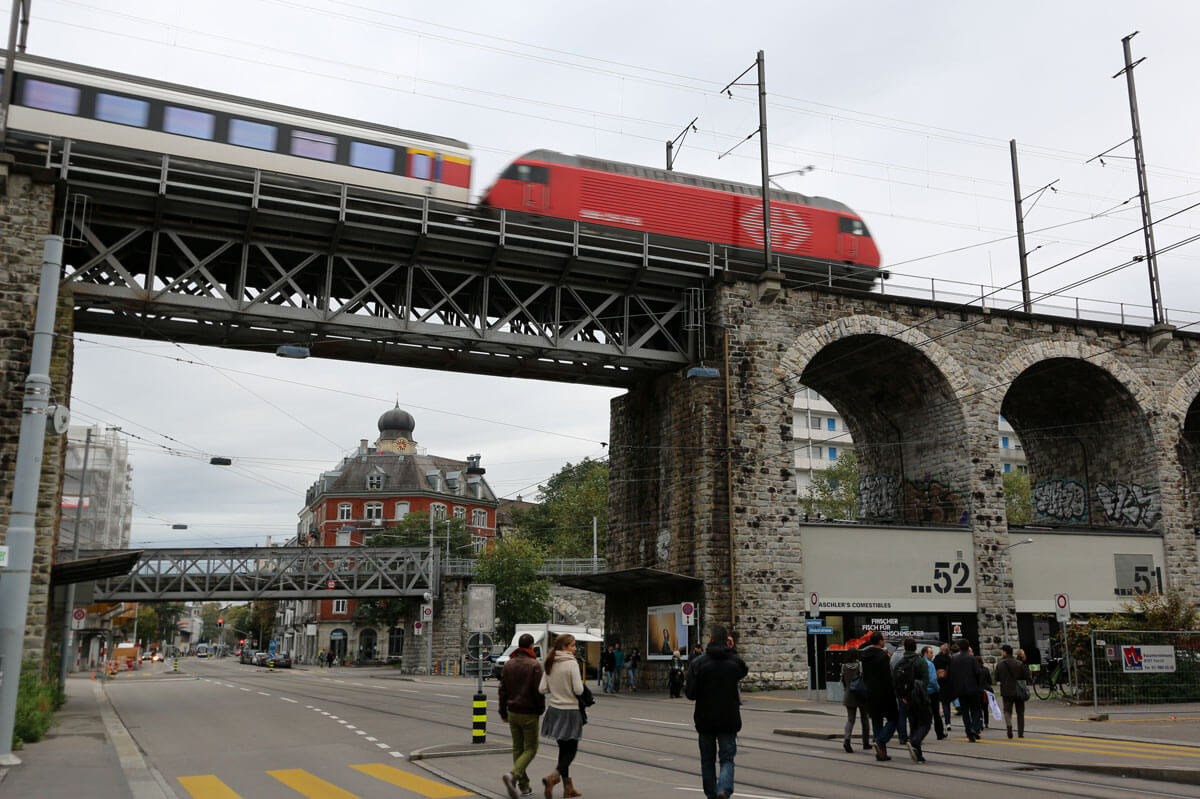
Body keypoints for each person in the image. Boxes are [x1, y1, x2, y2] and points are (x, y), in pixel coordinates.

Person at [685, 624, 748, 799]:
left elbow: (690, 694)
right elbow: (744, 670)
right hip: (729, 720)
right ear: (727, 640)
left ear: (710, 639)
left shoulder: (698, 663)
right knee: (727, 759)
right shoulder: (734, 663)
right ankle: (724, 789)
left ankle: (712, 795)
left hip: (705, 720)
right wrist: (732, 649)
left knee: (707, 760)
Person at [499, 633, 545, 799]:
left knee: (518, 749)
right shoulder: (535, 665)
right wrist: (540, 710)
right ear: (532, 646)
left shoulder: (508, 664)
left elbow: (502, 691)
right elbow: (539, 692)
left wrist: (502, 712)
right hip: (529, 713)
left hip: (512, 712)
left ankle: (524, 787)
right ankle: (513, 775)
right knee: (531, 748)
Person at [539, 634, 585, 799]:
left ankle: (568, 788)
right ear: (564, 647)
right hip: (570, 710)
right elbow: (579, 690)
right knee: (571, 750)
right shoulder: (571, 663)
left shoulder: (550, 661)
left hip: (554, 710)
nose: (574, 649)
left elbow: (542, 689)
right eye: (572, 646)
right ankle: (552, 777)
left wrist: (557, 689)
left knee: (563, 750)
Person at [861, 631, 899, 761]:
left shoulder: (865, 655)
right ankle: (880, 741)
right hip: (884, 693)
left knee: (877, 721)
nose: (885, 640)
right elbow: (886, 677)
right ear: (880, 641)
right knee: (894, 719)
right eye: (884, 638)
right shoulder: (882, 656)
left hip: (871, 693)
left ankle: (881, 754)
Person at [892, 637, 931, 763]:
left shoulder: (900, 663)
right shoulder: (920, 662)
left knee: (913, 724)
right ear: (915, 648)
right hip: (920, 697)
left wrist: (902, 696)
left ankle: (918, 754)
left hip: (906, 697)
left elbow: (896, 682)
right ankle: (915, 741)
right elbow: (926, 680)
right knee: (925, 723)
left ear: (905, 647)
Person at [948, 639, 983, 741]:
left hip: (960, 689)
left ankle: (969, 733)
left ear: (959, 647)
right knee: (976, 710)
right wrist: (979, 685)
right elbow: (977, 672)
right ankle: (975, 727)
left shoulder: (954, 658)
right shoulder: (972, 658)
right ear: (968, 647)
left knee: (965, 712)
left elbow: (951, 674)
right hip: (972, 688)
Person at [994, 644, 1031, 739]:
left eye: (1002, 651)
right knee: (1020, 712)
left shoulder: (1000, 664)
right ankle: (1020, 733)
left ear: (1005, 652)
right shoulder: (1019, 663)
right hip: (1019, 691)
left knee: (1007, 711)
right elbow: (1028, 676)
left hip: (1006, 691)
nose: (1002, 653)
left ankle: (1009, 726)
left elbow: (996, 678)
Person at [839, 648, 871, 753]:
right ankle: (865, 742)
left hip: (849, 695)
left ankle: (847, 740)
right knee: (864, 719)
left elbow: (843, 681)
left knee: (850, 720)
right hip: (861, 695)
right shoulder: (860, 665)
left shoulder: (844, 666)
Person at [921, 646, 946, 740]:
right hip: (932, 692)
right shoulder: (930, 664)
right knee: (936, 713)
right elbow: (933, 679)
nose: (932, 654)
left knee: (924, 713)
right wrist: (938, 688)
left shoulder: (920, 662)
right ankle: (940, 733)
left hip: (922, 691)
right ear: (925, 653)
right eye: (930, 652)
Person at [933, 642, 953, 731]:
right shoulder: (949, 659)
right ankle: (948, 722)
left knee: (936, 704)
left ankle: (937, 722)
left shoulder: (936, 658)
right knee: (946, 704)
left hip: (937, 682)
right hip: (947, 683)